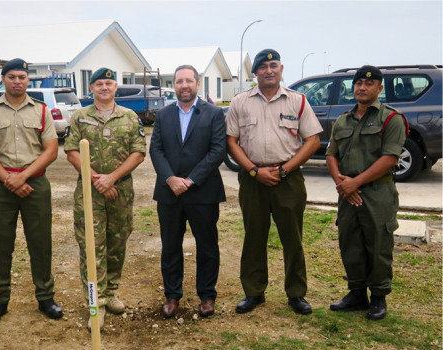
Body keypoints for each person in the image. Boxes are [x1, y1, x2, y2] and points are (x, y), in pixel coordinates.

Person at [226, 49, 323, 315]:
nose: (269, 70)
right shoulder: (240, 102)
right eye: (263, 66)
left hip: (288, 179)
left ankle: (296, 293)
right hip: (252, 179)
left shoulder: (298, 101)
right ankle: (254, 292)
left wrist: (284, 170)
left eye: (273, 65)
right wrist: (254, 170)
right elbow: (231, 141)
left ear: (281, 69)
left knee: (293, 238)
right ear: (254, 72)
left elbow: (312, 140)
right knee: (254, 237)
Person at [0, 58, 63, 325]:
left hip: (34, 183)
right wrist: (8, 179)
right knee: (0, 244)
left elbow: (51, 150)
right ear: (3, 79)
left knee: (40, 242)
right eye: (11, 77)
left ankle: (46, 297)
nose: (17, 81)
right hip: (0, 186)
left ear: (27, 80)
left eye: (22, 77)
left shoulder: (42, 111)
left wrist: (22, 176)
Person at [63, 67, 146, 330]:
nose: (104, 87)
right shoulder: (79, 117)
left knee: (117, 243)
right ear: (91, 88)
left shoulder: (130, 117)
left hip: (120, 192)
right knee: (91, 246)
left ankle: (111, 293)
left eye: (109, 83)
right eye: (99, 84)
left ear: (115, 87)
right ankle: (94, 303)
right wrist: (98, 179)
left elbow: (138, 152)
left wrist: (112, 179)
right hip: (90, 193)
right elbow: (72, 151)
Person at [326, 65, 406, 321]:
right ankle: (357, 293)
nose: (362, 87)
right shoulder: (342, 120)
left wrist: (355, 183)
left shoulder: (391, 119)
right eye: (358, 83)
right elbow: (331, 154)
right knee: (350, 244)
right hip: (347, 194)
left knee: (378, 245)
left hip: (377, 193)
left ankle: (378, 297)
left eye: (369, 83)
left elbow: (390, 158)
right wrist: (342, 183)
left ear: (379, 88)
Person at [150, 65, 226, 318]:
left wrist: (191, 180)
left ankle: (207, 296)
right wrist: (170, 178)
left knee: (207, 246)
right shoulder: (163, 115)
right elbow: (156, 150)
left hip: (203, 192)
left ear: (198, 84)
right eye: (179, 81)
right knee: (171, 246)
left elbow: (217, 151)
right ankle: (172, 296)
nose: (184, 85)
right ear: (174, 85)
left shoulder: (214, 114)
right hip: (169, 193)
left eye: (189, 81)